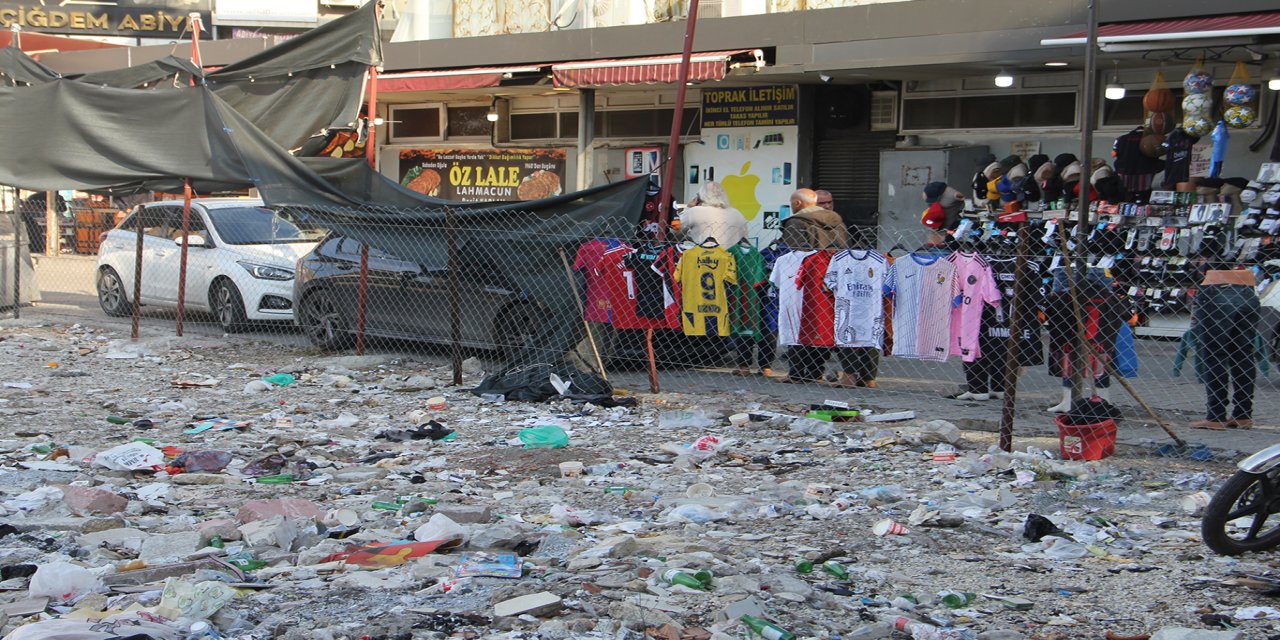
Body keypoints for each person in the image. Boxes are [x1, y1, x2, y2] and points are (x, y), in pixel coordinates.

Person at [678, 181, 748, 247]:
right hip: (731, 256)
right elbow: (745, 238)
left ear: (700, 198)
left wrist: (688, 208)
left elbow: (675, 231)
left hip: (702, 256)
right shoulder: (737, 214)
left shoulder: (694, 211)